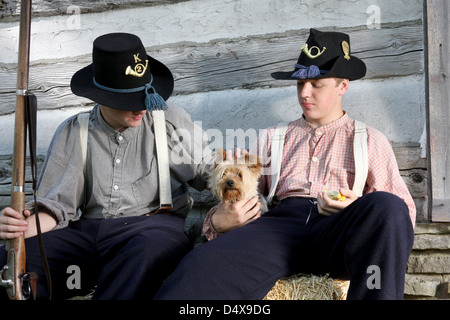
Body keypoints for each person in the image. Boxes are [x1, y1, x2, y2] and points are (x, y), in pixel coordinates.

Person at [154, 28, 416, 300]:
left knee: (388, 204)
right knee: (201, 264)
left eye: (316, 84)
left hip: (338, 232)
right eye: (300, 84)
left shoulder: (369, 140)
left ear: (343, 86)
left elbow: (402, 215)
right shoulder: (272, 137)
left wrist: (355, 205)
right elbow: (242, 189)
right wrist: (217, 222)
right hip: (280, 228)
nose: (305, 93)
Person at [0, 33, 214, 300]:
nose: (140, 109)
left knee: (146, 252)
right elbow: (57, 207)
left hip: (152, 227)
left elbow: (210, 175)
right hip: (88, 233)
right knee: (13, 262)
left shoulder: (168, 122)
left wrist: (235, 169)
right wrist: (19, 229)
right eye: (129, 102)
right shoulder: (75, 130)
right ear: (100, 96)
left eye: (143, 99)